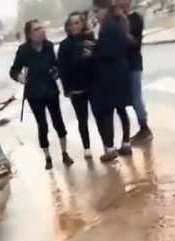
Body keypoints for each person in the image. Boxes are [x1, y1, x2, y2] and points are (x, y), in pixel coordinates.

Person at [10, 19, 73, 170]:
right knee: (42, 124)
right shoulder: (23, 51)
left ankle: (64, 153)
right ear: (30, 34)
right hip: (34, 94)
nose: (42, 31)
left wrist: (56, 72)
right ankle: (47, 157)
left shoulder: (49, 46)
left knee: (58, 121)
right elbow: (13, 70)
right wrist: (20, 78)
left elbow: (56, 65)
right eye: (37, 29)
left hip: (51, 91)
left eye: (42, 28)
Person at [91, 0, 132, 162]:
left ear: (104, 9)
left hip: (111, 74)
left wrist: (94, 51)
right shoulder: (116, 22)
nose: (95, 15)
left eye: (96, 11)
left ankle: (110, 148)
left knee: (108, 110)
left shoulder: (109, 26)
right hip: (120, 71)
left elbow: (109, 51)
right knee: (121, 109)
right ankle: (126, 143)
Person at [58, 12, 96, 160]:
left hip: (93, 85)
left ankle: (108, 145)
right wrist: (67, 90)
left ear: (82, 24)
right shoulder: (64, 45)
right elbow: (62, 69)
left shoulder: (89, 40)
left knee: (100, 116)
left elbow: (97, 60)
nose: (74, 26)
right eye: (71, 23)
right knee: (82, 119)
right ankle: (87, 147)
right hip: (76, 89)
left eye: (77, 23)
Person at [116, 0, 153, 143]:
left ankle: (145, 128)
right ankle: (137, 129)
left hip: (134, 64)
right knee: (128, 99)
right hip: (122, 66)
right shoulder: (117, 19)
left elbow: (133, 41)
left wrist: (121, 25)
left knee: (136, 98)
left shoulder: (135, 18)